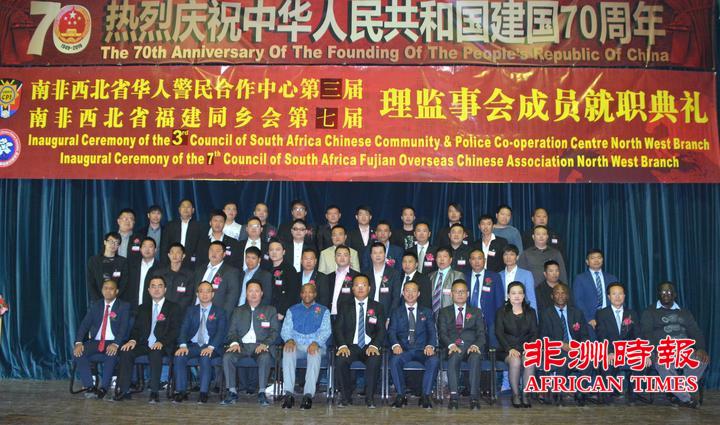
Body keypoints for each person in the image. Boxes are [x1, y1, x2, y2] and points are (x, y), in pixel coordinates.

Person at [641, 281, 710, 408]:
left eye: (669, 291)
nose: (666, 294)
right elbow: (647, 333)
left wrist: (701, 348)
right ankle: (686, 399)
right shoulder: (650, 311)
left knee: (702, 360)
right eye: (662, 291)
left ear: (674, 294)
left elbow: (696, 331)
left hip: (684, 351)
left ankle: (676, 392)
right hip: (663, 351)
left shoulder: (684, 312)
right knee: (664, 364)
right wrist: (655, 350)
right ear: (658, 294)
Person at [115, 276, 182, 402]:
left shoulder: (173, 307)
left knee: (155, 353)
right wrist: (132, 340)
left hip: (163, 345)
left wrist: (161, 342)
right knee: (126, 351)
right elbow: (136, 329)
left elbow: (175, 330)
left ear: (165, 289)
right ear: (149, 290)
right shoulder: (143, 308)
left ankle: (154, 392)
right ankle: (124, 390)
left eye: (160, 286)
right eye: (153, 286)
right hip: (144, 344)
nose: (156, 289)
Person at [222, 280, 280, 406]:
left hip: (260, 346)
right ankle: (231, 392)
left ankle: (262, 392)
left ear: (262, 293)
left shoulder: (270, 310)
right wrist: (234, 343)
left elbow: (275, 332)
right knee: (227, 357)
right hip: (241, 346)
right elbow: (231, 332)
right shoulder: (238, 311)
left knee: (265, 357)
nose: (253, 294)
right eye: (250, 291)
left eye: (256, 291)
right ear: (246, 293)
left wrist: (265, 344)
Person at [333, 274, 386, 408]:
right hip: (350, 346)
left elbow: (381, 330)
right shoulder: (344, 306)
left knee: (374, 359)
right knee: (340, 359)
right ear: (352, 288)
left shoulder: (377, 307)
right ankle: (345, 398)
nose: (360, 288)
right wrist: (342, 346)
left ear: (369, 288)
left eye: (364, 285)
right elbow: (338, 328)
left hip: (369, 346)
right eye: (357, 285)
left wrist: (375, 346)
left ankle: (370, 398)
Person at [73, 279, 130, 400]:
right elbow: (84, 325)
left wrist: (116, 344)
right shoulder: (96, 305)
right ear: (102, 290)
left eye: (111, 289)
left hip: (113, 342)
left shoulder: (123, 306)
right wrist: (78, 342)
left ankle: (104, 387)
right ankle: (90, 386)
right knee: (78, 352)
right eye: (105, 288)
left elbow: (123, 328)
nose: (108, 291)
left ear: (116, 291)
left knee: (111, 353)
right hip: (96, 342)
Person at [173, 281, 228, 403]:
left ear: (212, 294)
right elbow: (183, 329)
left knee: (205, 357)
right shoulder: (190, 310)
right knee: (179, 356)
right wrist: (183, 345)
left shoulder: (220, 311)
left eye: (208, 291)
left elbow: (221, 332)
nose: (205, 294)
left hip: (211, 346)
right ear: (197, 294)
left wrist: (211, 347)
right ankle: (181, 391)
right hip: (193, 345)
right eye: (201, 291)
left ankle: (203, 392)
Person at [388, 281, 439, 409]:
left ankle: (425, 396)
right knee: (394, 360)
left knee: (434, 360)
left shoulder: (427, 312)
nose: (410, 294)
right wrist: (395, 345)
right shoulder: (396, 312)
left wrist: (430, 345)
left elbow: (432, 332)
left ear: (418, 293)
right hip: (404, 350)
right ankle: (401, 395)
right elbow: (391, 331)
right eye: (407, 291)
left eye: (413, 291)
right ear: (403, 293)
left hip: (422, 350)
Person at [280, 283, 332, 409]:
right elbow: (285, 330)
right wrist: (289, 340)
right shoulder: (292, 310)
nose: (307, 295)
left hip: (316, 345)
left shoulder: (323, 310)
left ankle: (308, 395)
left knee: (314, 353)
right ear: (301, 294)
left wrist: (316, 343)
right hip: (297, 344)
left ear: (315, 294)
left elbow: (326, 331)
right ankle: (288, 394)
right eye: (304, 292)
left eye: (310, 292)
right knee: (287, 351)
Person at [538, 283, 590, 406]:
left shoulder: (577, 313)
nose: (560, 296)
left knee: (587, 357)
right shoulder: (545, 313)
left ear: (567, 296)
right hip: (556, 349)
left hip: (575, 349)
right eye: (557, 293)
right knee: (564, 357)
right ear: (552, 296)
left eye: (563, 293)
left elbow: (585, 335)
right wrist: (561, 344)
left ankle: (581, 392)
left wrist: (579, 346)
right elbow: (543, 337)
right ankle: (559, 391)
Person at [438, 280, 485, 410]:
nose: (460, 294)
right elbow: (442, 333)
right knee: (453, 356)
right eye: (456, 291)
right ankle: (454, 397)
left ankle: (474, 398)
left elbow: (481, 334)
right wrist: (450, 345)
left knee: (475, 357)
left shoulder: (476, 312)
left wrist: (476, 345)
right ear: (451, 294)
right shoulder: (444, 312)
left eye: (462, 291)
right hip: (453, 347)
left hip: (471, 347)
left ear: (467, 294)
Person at [595, 282, 640, 404]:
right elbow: (601, 335)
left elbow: (638, 335)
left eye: (620, 294)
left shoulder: (632, 314)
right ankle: (607, 393)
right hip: (610, 350)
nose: (617, 297)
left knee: (640, 361)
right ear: (609, 297)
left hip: (628, 350)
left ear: (624, 296)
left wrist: (642, 352)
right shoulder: (602, 314)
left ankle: (632, 393)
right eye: (614, 294)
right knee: (607, 363)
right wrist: (609, 352)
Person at [495, 281, 538, 408]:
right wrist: (509, 349)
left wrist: (529, 348)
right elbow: (499, 333)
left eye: (520, 293)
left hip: (526, 348)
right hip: (506, 349)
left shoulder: (531, 312)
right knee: (515, 361)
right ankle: (515, 394)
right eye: (513, 293)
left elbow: (535, 333)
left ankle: (525, 394)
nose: (517, 296)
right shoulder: (501, 312)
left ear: (524, 296)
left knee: (529, 360)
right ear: (508, 296)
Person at [572, 249, 618, 332]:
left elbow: (618, 298)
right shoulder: (580, 279)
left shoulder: (612, 278)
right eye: (593, 258)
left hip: (610, 318)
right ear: (587, 262)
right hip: (590, 320)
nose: (596, 260)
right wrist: (589, 318)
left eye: (599, 258)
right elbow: (578, 301)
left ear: (602, 260)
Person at [465, 248, 504, 347]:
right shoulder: (464, 276)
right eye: (473, 259)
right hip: (469, 320)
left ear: (484, 260)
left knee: (493, 348)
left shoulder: (494, 277)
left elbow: (499, 301)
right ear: (469, 261)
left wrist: (498, 321)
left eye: (479, 258)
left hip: (490, 320)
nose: (477, 261)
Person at [192, 241, 241, 316]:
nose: (214, 253)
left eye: (218, 251)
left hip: (216, 316)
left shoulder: (231, 272)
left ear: (224, 254)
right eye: (211, 250)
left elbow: (232, 298)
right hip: (195, 313)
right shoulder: (199, 270)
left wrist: (223, 317)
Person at [161, 199, 204, 269]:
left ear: (193, 210)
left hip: (191, 264)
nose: (185, 209)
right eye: (183, 206)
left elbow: (200, 249)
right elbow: (164, 247)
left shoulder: (199, 227)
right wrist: (164, 265)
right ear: (179, 209)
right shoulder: (170, 225)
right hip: (172, 263)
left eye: (188, 207)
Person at [154, 242, 195, 314]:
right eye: (172, 252)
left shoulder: (189, 275)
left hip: (180, 312)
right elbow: (155, 292)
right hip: (161, 311)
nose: (174, 255)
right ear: (169, 255)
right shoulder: (159, 274)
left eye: (178, 252)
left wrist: (175, 309)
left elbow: (188, 296)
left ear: (183, 256)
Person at [363, 242, 402, 317]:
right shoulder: (365, 274)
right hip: (368, 312)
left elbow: (396, 297)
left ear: (385, 254)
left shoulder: (394, 273)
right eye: (375, 253)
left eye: (380, 252)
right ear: (371, 255)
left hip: (386, 313)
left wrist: (390, 317)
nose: (378, 255)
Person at [86, 232, 127, 301]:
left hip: (116, 301)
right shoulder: (94, 261)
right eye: (111, 241)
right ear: (105, 242)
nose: (113, 245)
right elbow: (90, 283)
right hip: (97, 301)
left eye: (116, 242)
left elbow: (123, 283)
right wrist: (98, 301)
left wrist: (113, 299)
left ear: (119, 246)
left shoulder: (123, 262)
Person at [122, 237, 159, 309]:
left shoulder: (161, 267)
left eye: (150, 246)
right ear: (140, 249)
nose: (147, 249)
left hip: (151, 308)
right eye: (144, 246)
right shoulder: (131, 266)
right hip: (132, 307)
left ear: (155, 250)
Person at [267, 239, 301, 320]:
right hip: (268, 310)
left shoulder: (289, 269)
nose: (274, 252)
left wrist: (282, 311)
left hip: (282, 312)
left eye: (277, 250)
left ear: (284, 252)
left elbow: (292, 293)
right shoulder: (266, 268)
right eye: (271, 250)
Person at [427, 247, 465, 316]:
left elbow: (461, 299)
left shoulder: (458, 275)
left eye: (445, 256)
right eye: (439, 257)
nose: (442, 259)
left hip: (450, 316)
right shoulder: (430, 276)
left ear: (450, 260)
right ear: (435, 259)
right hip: (431, 316)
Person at [322, 245, 359, 314]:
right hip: (329, 314)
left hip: (347, 315)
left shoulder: (356, 276)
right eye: (339, 255)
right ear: (335, 258)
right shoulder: (328, 277)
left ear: (350, 258)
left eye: (345, 255)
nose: (342, 258)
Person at [499, 245, 537, 311]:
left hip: (522, 310)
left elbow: (531, 298)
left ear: (517, 257)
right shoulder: (498, 275)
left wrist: (534, 315)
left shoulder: (526, 274)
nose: (508, 257)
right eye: (505, 254)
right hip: (503, 311)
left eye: (512, 254)